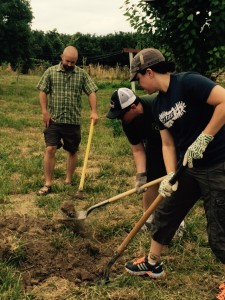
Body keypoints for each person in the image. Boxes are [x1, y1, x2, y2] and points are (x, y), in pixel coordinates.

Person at [125, 48, 225, 300]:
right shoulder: (159, 104)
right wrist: (171, 175)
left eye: (138, 79)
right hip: (188, 166)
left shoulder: (188, 82)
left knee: (220, 225)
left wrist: (205, 137)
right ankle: (153, 262)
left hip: (217, 163)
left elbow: (224, 101)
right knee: (166, 211)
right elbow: (167, 144)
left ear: (149, 72)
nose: (139, 84)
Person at [106, 87, 185, 234]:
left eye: (120, 115)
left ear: (133, 107)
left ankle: (177, 222)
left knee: (174, 182)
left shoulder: (157, 105)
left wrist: (170, 172)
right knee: (150, 180)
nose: (119, 119)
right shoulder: (128, 123)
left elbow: (175, 134)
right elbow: (137, 149)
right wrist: (141, 176)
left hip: (176, 141)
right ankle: (148, 219)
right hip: (154, 144)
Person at [37, 46, 98, 195]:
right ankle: (48, 183)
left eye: (73, 62)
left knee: (72, 150)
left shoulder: (81, 74)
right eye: (68, 61)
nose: (70, 64)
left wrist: (94, 111)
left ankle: (68, 180)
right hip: (54, 120)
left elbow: (91, 92)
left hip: (73, 121)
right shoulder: (51, 72)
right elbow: (43, 91)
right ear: (61, 57)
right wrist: (44, 112)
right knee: (50, 149)